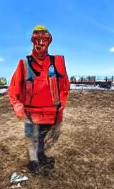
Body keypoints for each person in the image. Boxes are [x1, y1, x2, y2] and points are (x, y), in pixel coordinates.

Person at [8, 25, 70, 174]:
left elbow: (64, 87)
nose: (41, 43)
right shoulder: (24, 64)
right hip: (30, 114)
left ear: (49, 41)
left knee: (42, 137)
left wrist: (59, 110)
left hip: (50, 114)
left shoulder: (57, 63)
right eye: (37, 39)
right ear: (33, 41)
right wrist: (18, 106)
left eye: (44, 39)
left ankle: (40, 156)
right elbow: (13, 88)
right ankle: (33, 162)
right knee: (32, 138)